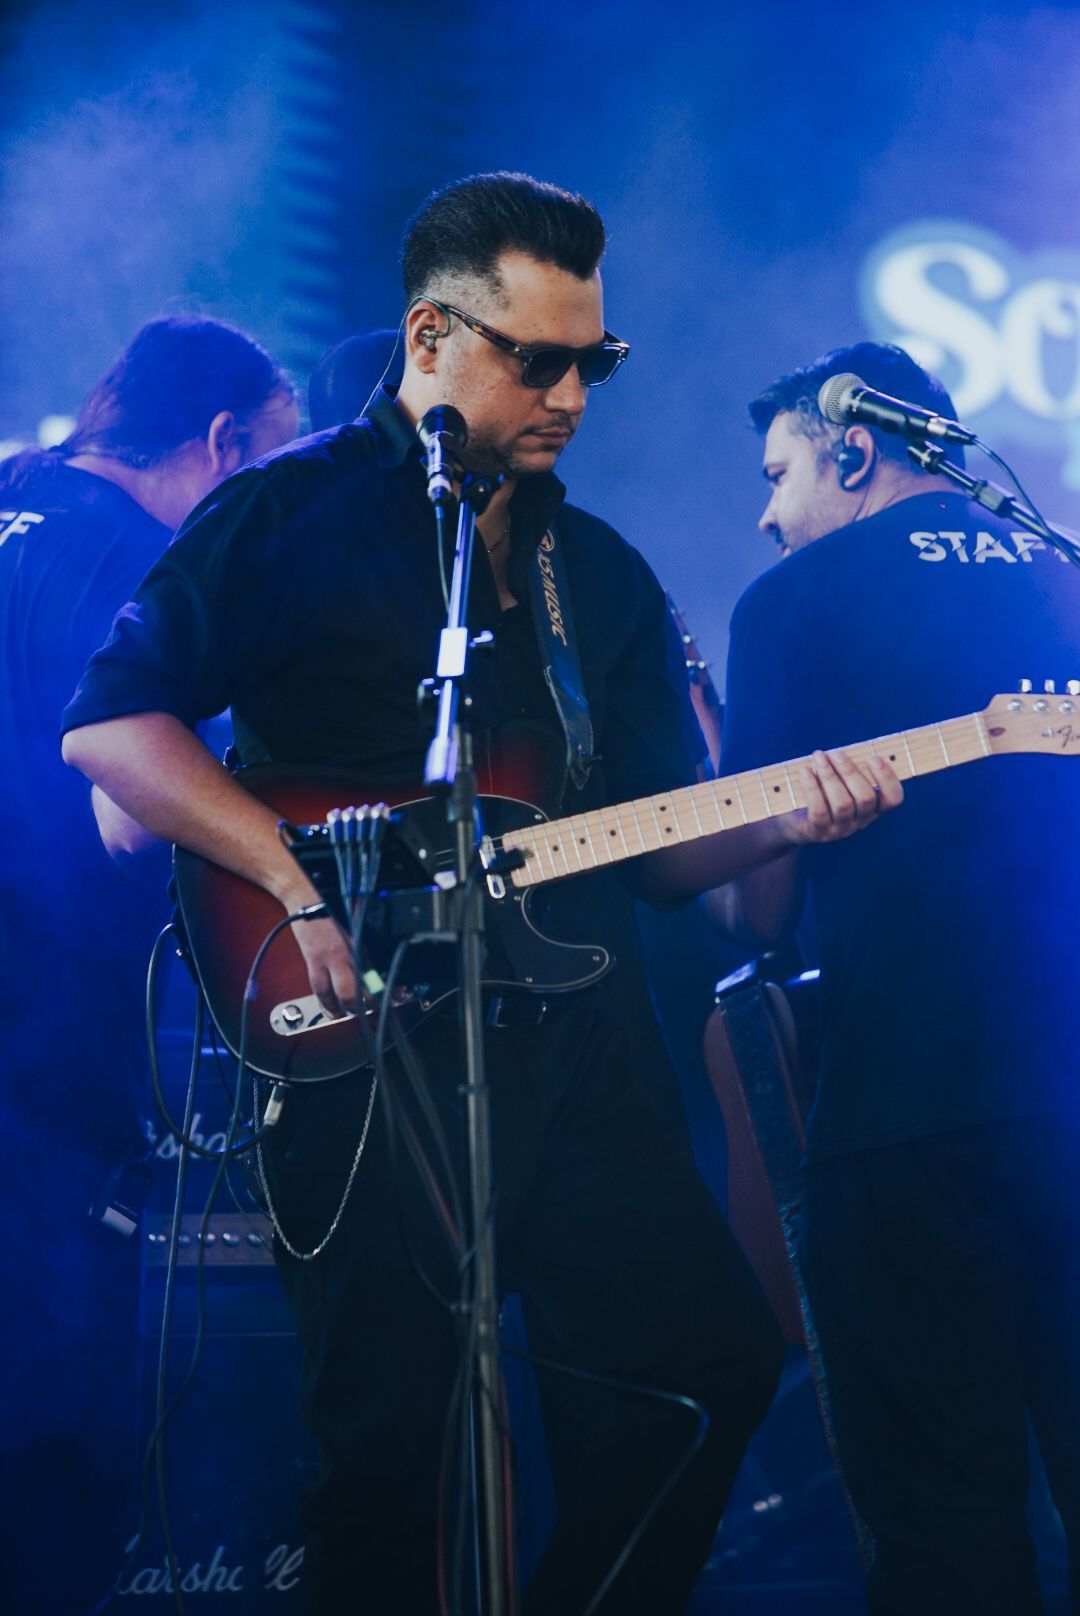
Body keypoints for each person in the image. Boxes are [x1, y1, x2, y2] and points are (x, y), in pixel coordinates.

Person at [61, 175, 896, 1615]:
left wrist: (787, 820)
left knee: (706, 1357)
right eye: (540, 358)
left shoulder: (602, 576)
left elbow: (647, 844)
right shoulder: (288, 510)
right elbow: (112, 732)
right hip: (357, 1049)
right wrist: (289, 881)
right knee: (386, 1453)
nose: (574, 392)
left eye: (597, 362)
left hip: (580, 1057)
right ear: (433, 337)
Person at [718, 339, 1080, 1615]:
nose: (768, 513)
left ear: (854, 449)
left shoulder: (793, 602)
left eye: (779, 473)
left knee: (945, 1536)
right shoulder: (1068, 570)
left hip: (907, 1117)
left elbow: (758, 915)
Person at [0, 313, 297, 1613]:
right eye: (271, 471)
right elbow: (130, 817)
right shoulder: (134, 563)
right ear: (221, 442)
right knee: (53, 1483)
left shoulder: (15, 509)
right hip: (33, 1081)